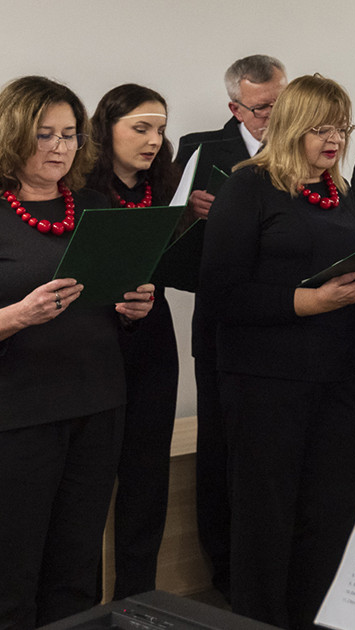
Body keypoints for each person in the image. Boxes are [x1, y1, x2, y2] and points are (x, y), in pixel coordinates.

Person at [199, 74, 355, 629]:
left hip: (340, 374)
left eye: (343, 127)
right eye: (321, 128)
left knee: (329, 514)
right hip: (266, 379)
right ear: (289, 127)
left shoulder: (341, 188)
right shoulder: (249, 187)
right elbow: (220, 295)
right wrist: (308, 302)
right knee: (267, 518)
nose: (335, 139)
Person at [0, 75, 157, 628]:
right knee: (12, 572)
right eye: (45, 135)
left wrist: (135, 308)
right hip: (19, 417)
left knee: (76, 568)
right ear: (13, 134)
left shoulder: (93, 204)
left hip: (97, 405)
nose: (60, 147)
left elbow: (112, 304)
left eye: (69, 134)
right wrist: (19, 315)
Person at [174, 53, 287, 600]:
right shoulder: (202, 151)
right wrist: (190, 217)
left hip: (288, 325)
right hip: (223, 322)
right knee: (221, 451)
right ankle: (223, 571)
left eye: (281, 103)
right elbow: (168, 243)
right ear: (235, 107)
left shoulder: (307, 147)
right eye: (263, 108)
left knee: (272, 454)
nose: (274, 116)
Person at [84, 83, 182, 599]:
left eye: (160, 130)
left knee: (147, 484)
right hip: (97, 345)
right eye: (140, 128)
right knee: (90, 485)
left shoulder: (166, 188)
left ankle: (137, 601)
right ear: (106, 131)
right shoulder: (80, 193)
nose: (153, 140)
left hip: (152, 343)